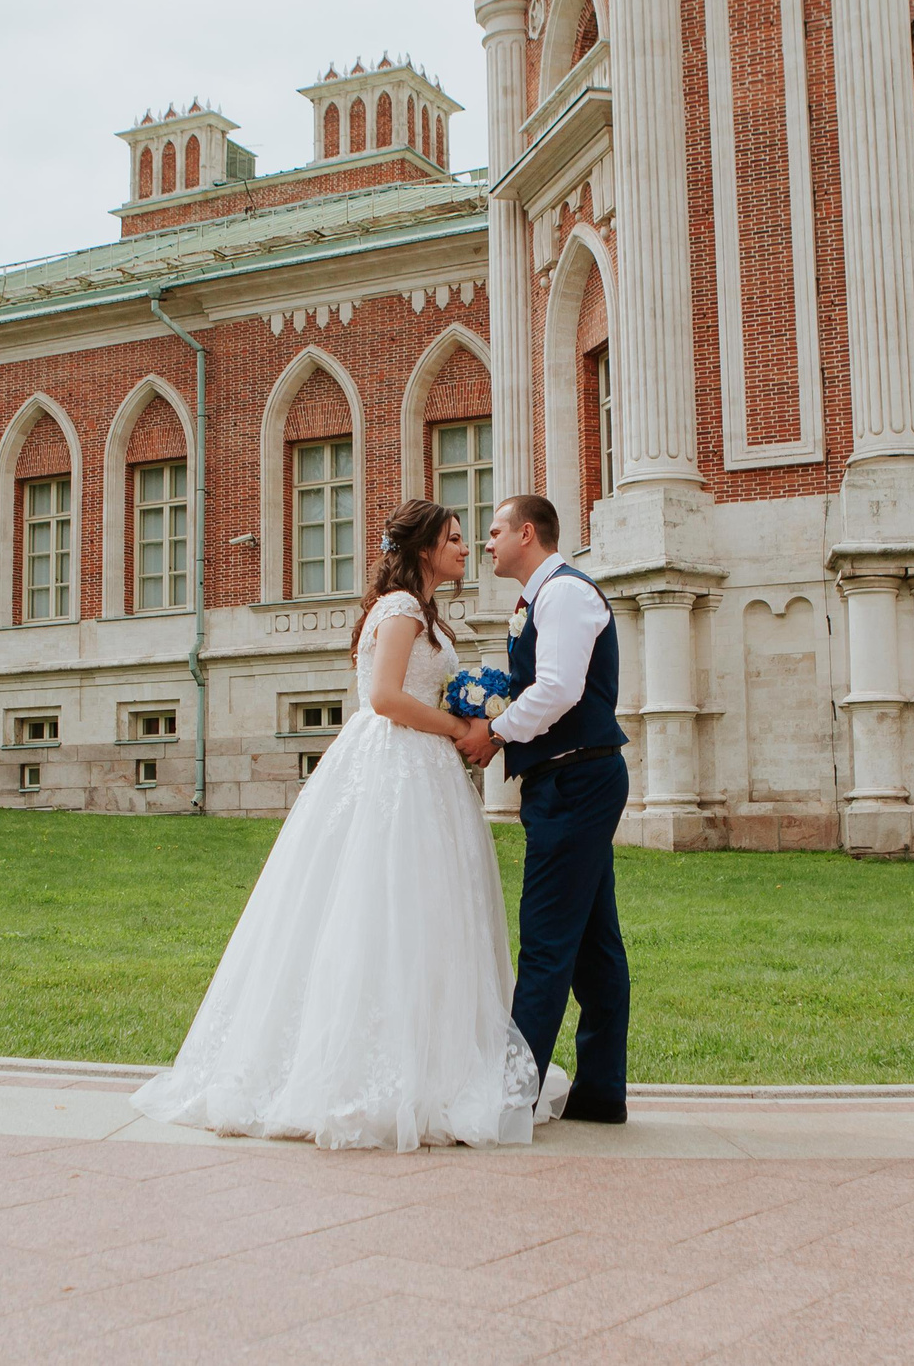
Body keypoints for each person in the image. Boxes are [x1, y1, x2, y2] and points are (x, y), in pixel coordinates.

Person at [131, 498, 561, 1151]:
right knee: (379, 904)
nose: (463, 547)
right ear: (422, 549)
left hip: (426, 773)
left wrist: (473, 709)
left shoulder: (423, 612)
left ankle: (433, 1054)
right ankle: (357, 1070)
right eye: (452, 538)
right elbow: (386, 697)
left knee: (429, 912)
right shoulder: (400, 611)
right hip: (395, 768)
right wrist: (458, 725)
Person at [459, 493, 631, 1126]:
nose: (487, 543)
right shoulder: (540, 599)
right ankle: (601, 1092)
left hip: (577, 779)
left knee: (546, 940)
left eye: (496, 530)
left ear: (527, 533)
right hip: (569, 779)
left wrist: (496, 732)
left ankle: (511, 1098)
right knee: (592, 942)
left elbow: (558, 688)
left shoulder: (564, 594)